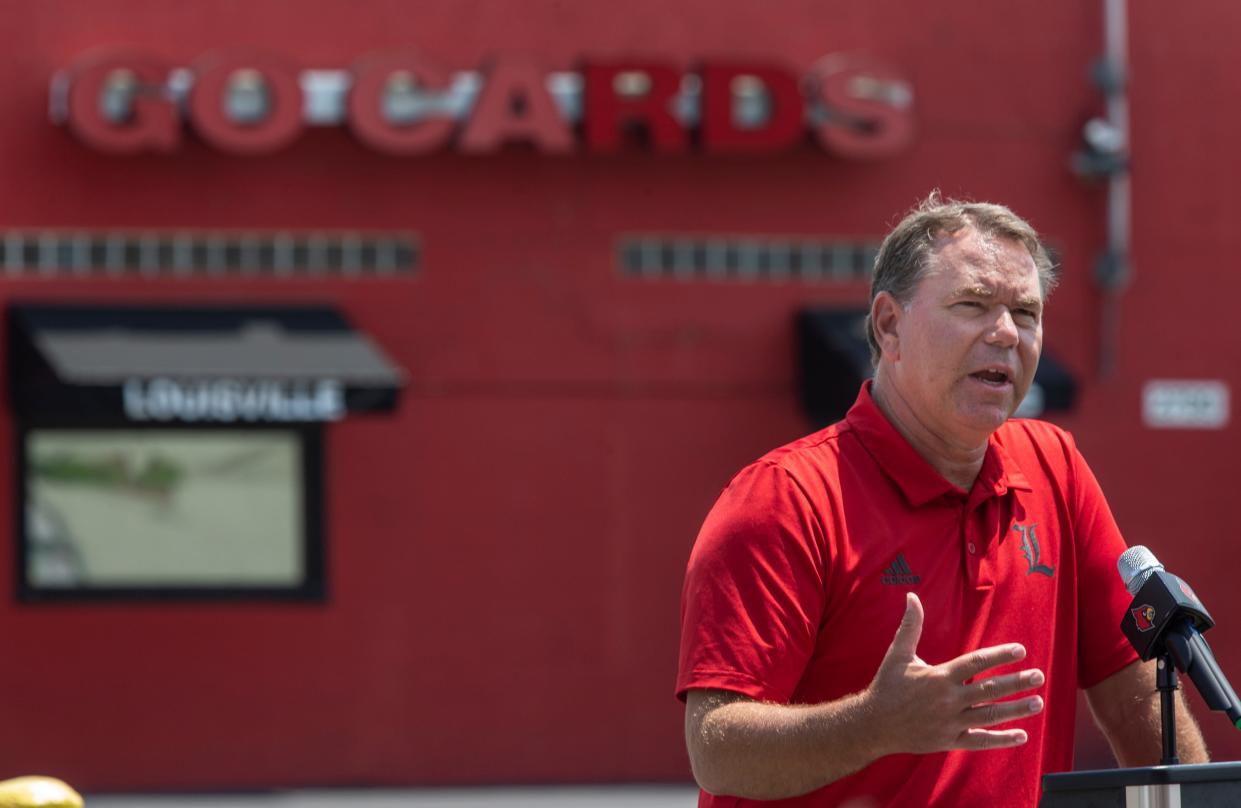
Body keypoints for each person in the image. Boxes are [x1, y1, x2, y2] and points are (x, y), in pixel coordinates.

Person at [676, 193, 1208, 807]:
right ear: (889, 326)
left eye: (1026, 313)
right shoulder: (784, 499)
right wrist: (871, 726)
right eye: (973, 305)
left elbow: (1132, 685)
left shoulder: (1055, 466)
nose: (1006, 332)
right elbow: (715, 748)